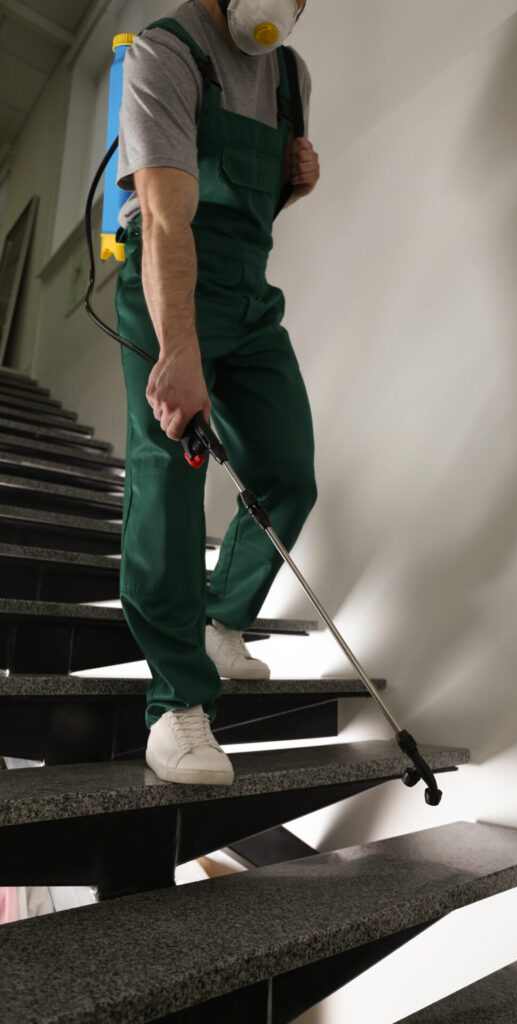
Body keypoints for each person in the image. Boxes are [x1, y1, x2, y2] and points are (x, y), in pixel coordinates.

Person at [114, 0, 320, 786]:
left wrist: (296, 183)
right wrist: (179, 351)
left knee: (286, 472)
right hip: (167, 277)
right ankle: (174, 707)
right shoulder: (164, 52)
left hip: (247, 291)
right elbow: (169, 219)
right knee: (171, 473)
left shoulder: (291, 76)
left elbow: (254, 206)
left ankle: (221, 617)